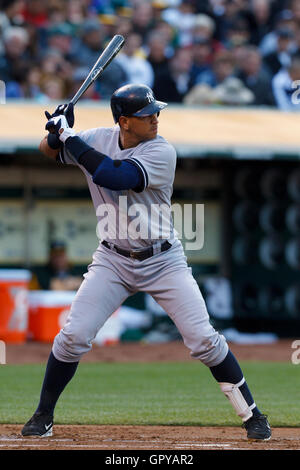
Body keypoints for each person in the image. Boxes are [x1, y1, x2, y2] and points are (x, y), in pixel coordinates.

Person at [21, 84, 271, 441]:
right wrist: (56, 133)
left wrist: (71, 138)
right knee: (72, 336)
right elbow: (47, 150)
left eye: (155, 112)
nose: (155, 118)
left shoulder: (161, 150)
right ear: (124, 121)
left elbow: (115, 176)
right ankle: (42, 415)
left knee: (203, 340)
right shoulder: (94, 138)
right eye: (145, 114)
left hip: (163, 260)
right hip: (112, 259)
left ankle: (253, 416)